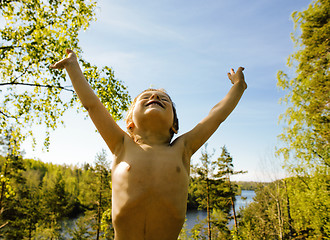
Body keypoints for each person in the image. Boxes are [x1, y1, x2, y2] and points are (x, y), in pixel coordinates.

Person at [50, 49, 247, 240]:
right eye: (146, 98)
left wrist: (238, 86)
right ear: (130, 123)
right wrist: (73, 67)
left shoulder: (183, 149)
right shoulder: (121, 145)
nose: (154, 97)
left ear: (174, 125)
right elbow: (92, 105)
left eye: (164, 100)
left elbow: (217, 116)